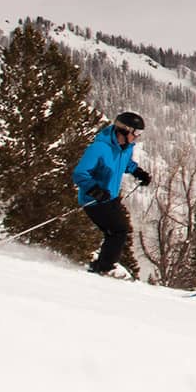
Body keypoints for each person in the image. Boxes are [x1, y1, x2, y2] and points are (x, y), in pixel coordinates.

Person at [72, 110, 152, 277]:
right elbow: (80, 173)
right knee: (118, 230)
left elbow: (125, 163)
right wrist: (95, 190)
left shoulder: (125, 148)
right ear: (124, 130)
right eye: (135, 133)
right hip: (93, 200)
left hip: (110, 198)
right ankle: (105, 267)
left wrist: (138, 172)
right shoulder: (99, 148)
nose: (137, 137)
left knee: (117, 230)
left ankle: (101, 265)